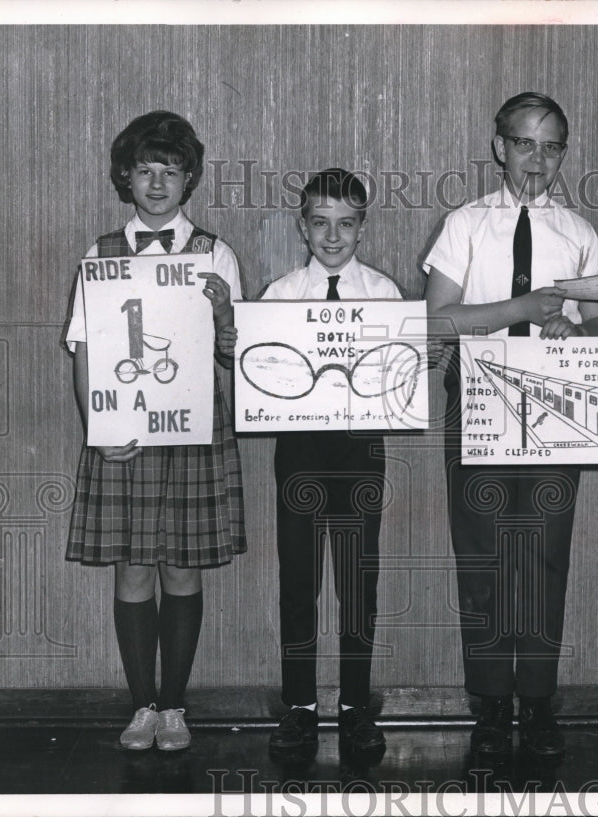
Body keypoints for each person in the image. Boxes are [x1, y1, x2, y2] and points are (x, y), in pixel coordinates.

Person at [423, 92, 598, 760]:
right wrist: (522, 306)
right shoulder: (465, 224)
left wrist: (574, 324)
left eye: (553, 145)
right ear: (499, 145)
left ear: (564, 152)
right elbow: (436, 320)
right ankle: (489, 702)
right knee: (480, 553)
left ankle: (536, 701)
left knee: (542, 552)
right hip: (477, 398)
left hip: (555, 406)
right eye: (526, 142)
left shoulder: (579, 231)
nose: (539, 159)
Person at [64, 111, 245, 752]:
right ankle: (141, 706)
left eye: (170, 171)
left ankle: (175, 707)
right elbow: (84, 352)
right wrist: (97, 429)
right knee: (134, 570)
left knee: (183, 571)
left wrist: (227, 320)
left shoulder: (215, 253)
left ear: (189, 177)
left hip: (193, 434)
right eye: (145, 170)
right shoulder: (100, 254)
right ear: (126, 177)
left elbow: (234, 358)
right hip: (126, 437)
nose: (158, 183)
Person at [251, 168, 400, 758]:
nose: (332, 237)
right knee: (299, 578)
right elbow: (260, 379)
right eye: (320, 223)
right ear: (302, 227)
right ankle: (300, 707)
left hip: (361, 447)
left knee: (359, 579)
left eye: (345, 224)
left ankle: (357, 706)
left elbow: (399, 378)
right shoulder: (281, 296)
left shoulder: (386, 295)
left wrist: (420, 355)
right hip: (301, 450)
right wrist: (236, 349)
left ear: (362, 226)